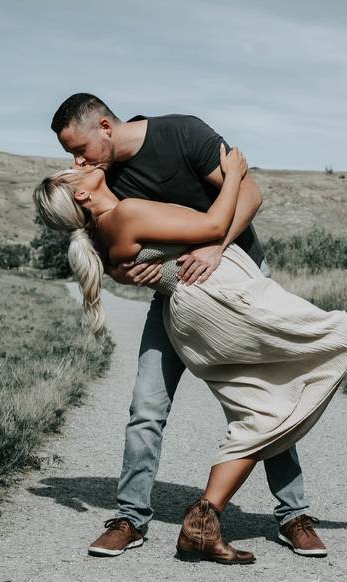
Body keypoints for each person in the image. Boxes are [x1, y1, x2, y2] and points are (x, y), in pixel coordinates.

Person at [33, 144, 347, 565]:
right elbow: (215, 226)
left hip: (195, 314)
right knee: (336, 336)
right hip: (223, 297)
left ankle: (203, 522)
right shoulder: (127, 213)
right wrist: (235, 173)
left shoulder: (104, 234)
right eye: (70, 172)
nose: (79, 165)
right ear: (78, 196)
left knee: (261, 409)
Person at [50, 94, 329, 558]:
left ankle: (292, 514)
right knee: (146, 406)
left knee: (262, 401)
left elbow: (251, 194)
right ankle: (130, 517)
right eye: (70, 156)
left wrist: (215, 247)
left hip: (236, 288)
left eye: (79, 149)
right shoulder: (101, 179)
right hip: (173, 300)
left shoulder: (181, 133)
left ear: (104, 125)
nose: (77, 160)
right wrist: (124, 272)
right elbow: (111, 244)